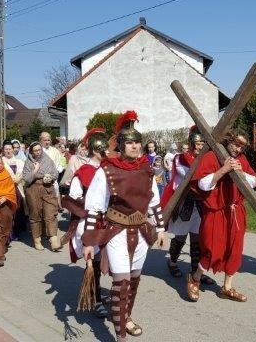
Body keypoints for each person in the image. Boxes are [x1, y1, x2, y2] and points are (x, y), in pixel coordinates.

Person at [82, 111, 166, 341]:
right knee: (121, 281)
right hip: (116, 231)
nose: (135, 146)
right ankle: (120, 336)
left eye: (137, 142)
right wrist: (89, 242)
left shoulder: (147, 170)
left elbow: (154, 201)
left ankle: (125, 316)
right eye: (129, 142)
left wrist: (160, 228)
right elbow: (94, 207)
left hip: (141, 231)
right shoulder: (106, 170)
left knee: (135, 278)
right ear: (120, 145)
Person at [187, 129, 256, 302]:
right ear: (228, 140)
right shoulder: (212, 157)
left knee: (234, 249)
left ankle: (227, 287)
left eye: (242, 146)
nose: (238, 149)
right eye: (236, 144)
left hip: (235, 211)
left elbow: (253, 181)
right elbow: (203, 184)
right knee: (211, 248)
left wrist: (241, 172)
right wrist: (223, 169)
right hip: (215, 211)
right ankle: (195, 278)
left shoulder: (241, 159)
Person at [62, 128, 109, 318]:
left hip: (107, 222)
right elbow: (74, 198)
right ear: (96, 150)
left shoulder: (108, 169)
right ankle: (95, 298)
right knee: (94, 261)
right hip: (89, 222)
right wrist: (92, 207)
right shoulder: (83, 172)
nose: (107, 152)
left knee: (107, 259)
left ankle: (95, 292)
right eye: (104, 149)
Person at [162, 127, 215, 285]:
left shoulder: (206, 159)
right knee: (181, 236)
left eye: (202, 143)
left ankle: (195, 271)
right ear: (191, 143)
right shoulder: (181, 158)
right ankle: (172, 262)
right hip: (185, 202)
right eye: (197, 143)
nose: (200, 146)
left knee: (197, 238)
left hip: (200, 203)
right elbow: (192, 176)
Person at [23, 141, 61, 251]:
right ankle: (37, 239)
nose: (38, 152)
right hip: (33, 189)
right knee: (35, 214)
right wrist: (35, 171)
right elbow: (26, 178)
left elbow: (55, 173)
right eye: (35, 150)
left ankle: (53, 240)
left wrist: (50, 177)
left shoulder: (48, 160)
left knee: (50, 213)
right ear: (31, 152)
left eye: (39, 150)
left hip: (47, 188)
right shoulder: (28, 162)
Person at [1, 140, 27, 239]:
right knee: (8, 211)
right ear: (3, 150)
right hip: (7, 189)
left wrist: (18, 178)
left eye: (10, 149)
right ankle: (9, 233)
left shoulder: (19, 161)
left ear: (13, 149)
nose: (8, 151)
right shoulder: (1, 162)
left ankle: (17, 230)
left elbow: (23, 173)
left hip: (18, 188)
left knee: (18, 209)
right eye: (6, 149)